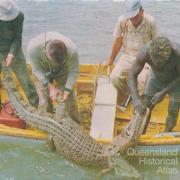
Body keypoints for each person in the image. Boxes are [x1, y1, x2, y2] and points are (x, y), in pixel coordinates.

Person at [105, 0, 158, 106]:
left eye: (135, 16)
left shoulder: (151, 21)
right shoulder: (122, 20)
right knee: (114, 77)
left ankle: (138, 101)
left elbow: (156, 45)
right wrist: (110, 60)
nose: (133, 20)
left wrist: (156, 66)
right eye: (130, 17)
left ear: (141, 11)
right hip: (127, 56)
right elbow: (118, 42)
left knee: (141, 80)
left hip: (145, 58)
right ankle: (128, 93)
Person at [128, 36, 180, 132]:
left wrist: (163, 92)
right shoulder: (144, 52)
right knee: (144, 106)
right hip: (155, 78)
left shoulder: (177, 54)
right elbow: (132, 74)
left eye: (162, 63)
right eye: (155, 63)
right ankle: (140, 132)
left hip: (176, 82)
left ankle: (166, 134)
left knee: (173, 111)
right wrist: (135, 99)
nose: (158, 66)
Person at [27, 32, 80, 123]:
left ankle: (75, 122)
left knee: (69, 98)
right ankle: (47, 122)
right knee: (44, 100)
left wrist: (67, 90)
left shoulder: (72, 50)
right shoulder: (33, 48)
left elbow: (73, 71)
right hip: (42, 69)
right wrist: (50, 86)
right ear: (45, 52)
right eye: (54, 61)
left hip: (62, 68)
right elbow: (36, 70)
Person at [0, 0, 39, 107]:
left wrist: (11, 53)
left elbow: (17, 38)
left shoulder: (19, 16)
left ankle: (36, 105)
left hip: (14, 48)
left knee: (25, 80)